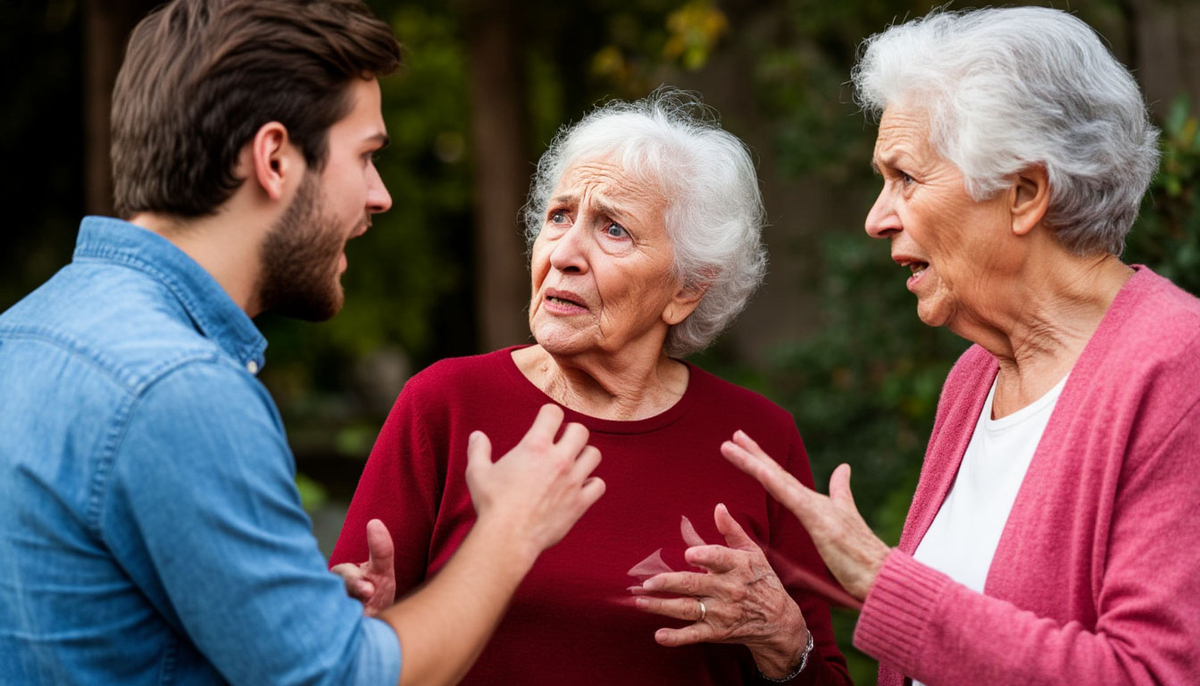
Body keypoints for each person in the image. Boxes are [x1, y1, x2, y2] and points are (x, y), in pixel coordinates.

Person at [0, 1, 605, 685]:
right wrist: (509, 530)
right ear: (276, 158)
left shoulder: (25, 330)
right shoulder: (180, 389)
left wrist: (302, 610)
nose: (379, 197)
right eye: (367, 156)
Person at [715, 7, 1200, 686]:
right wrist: (790, 645)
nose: (876, 218)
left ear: (1024, 193)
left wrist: (884, 582)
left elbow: (1148, 675)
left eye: (905, 178)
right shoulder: (976, 376)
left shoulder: (1179, 368)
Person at [330, 90, 852, 685]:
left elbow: (824, 675)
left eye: (613, 229)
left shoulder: (758, 439)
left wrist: (784, 639)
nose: (564, 253)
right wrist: (360, 626)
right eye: (559, 216)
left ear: (686, 289)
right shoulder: (446, 404)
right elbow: (336, 639)